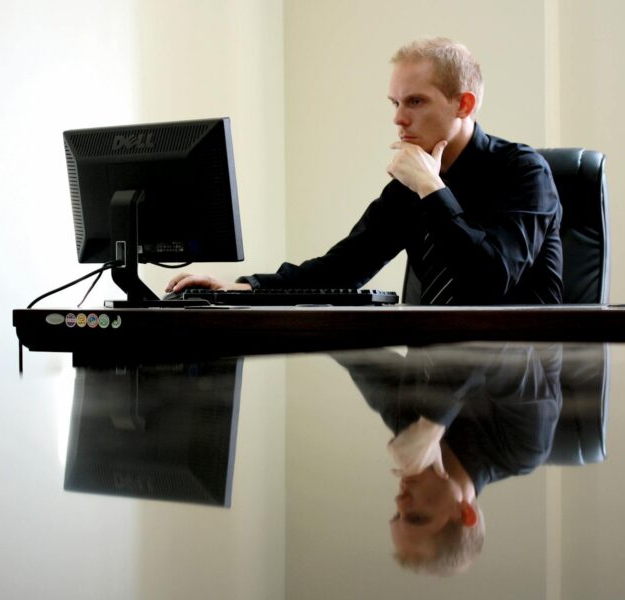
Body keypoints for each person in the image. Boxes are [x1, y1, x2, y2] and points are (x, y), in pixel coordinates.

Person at [167, 37, 562, 304]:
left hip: (515, 387)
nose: (399, 119)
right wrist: (242, 288)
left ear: (463, 104)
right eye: (395, 103)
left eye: (416, 102)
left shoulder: (524, 172)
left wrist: (431, 188)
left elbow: (490, 280)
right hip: (434, 379)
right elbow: (341, 270)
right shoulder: (410, 186)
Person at [333, 343, 563, 574]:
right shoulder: (523, 449)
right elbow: (494, 340)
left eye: (397, 514)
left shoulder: (407, 427)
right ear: (465, 512)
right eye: (417, 517)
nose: (399, 502)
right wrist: (431, 426)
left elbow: (356, 352)